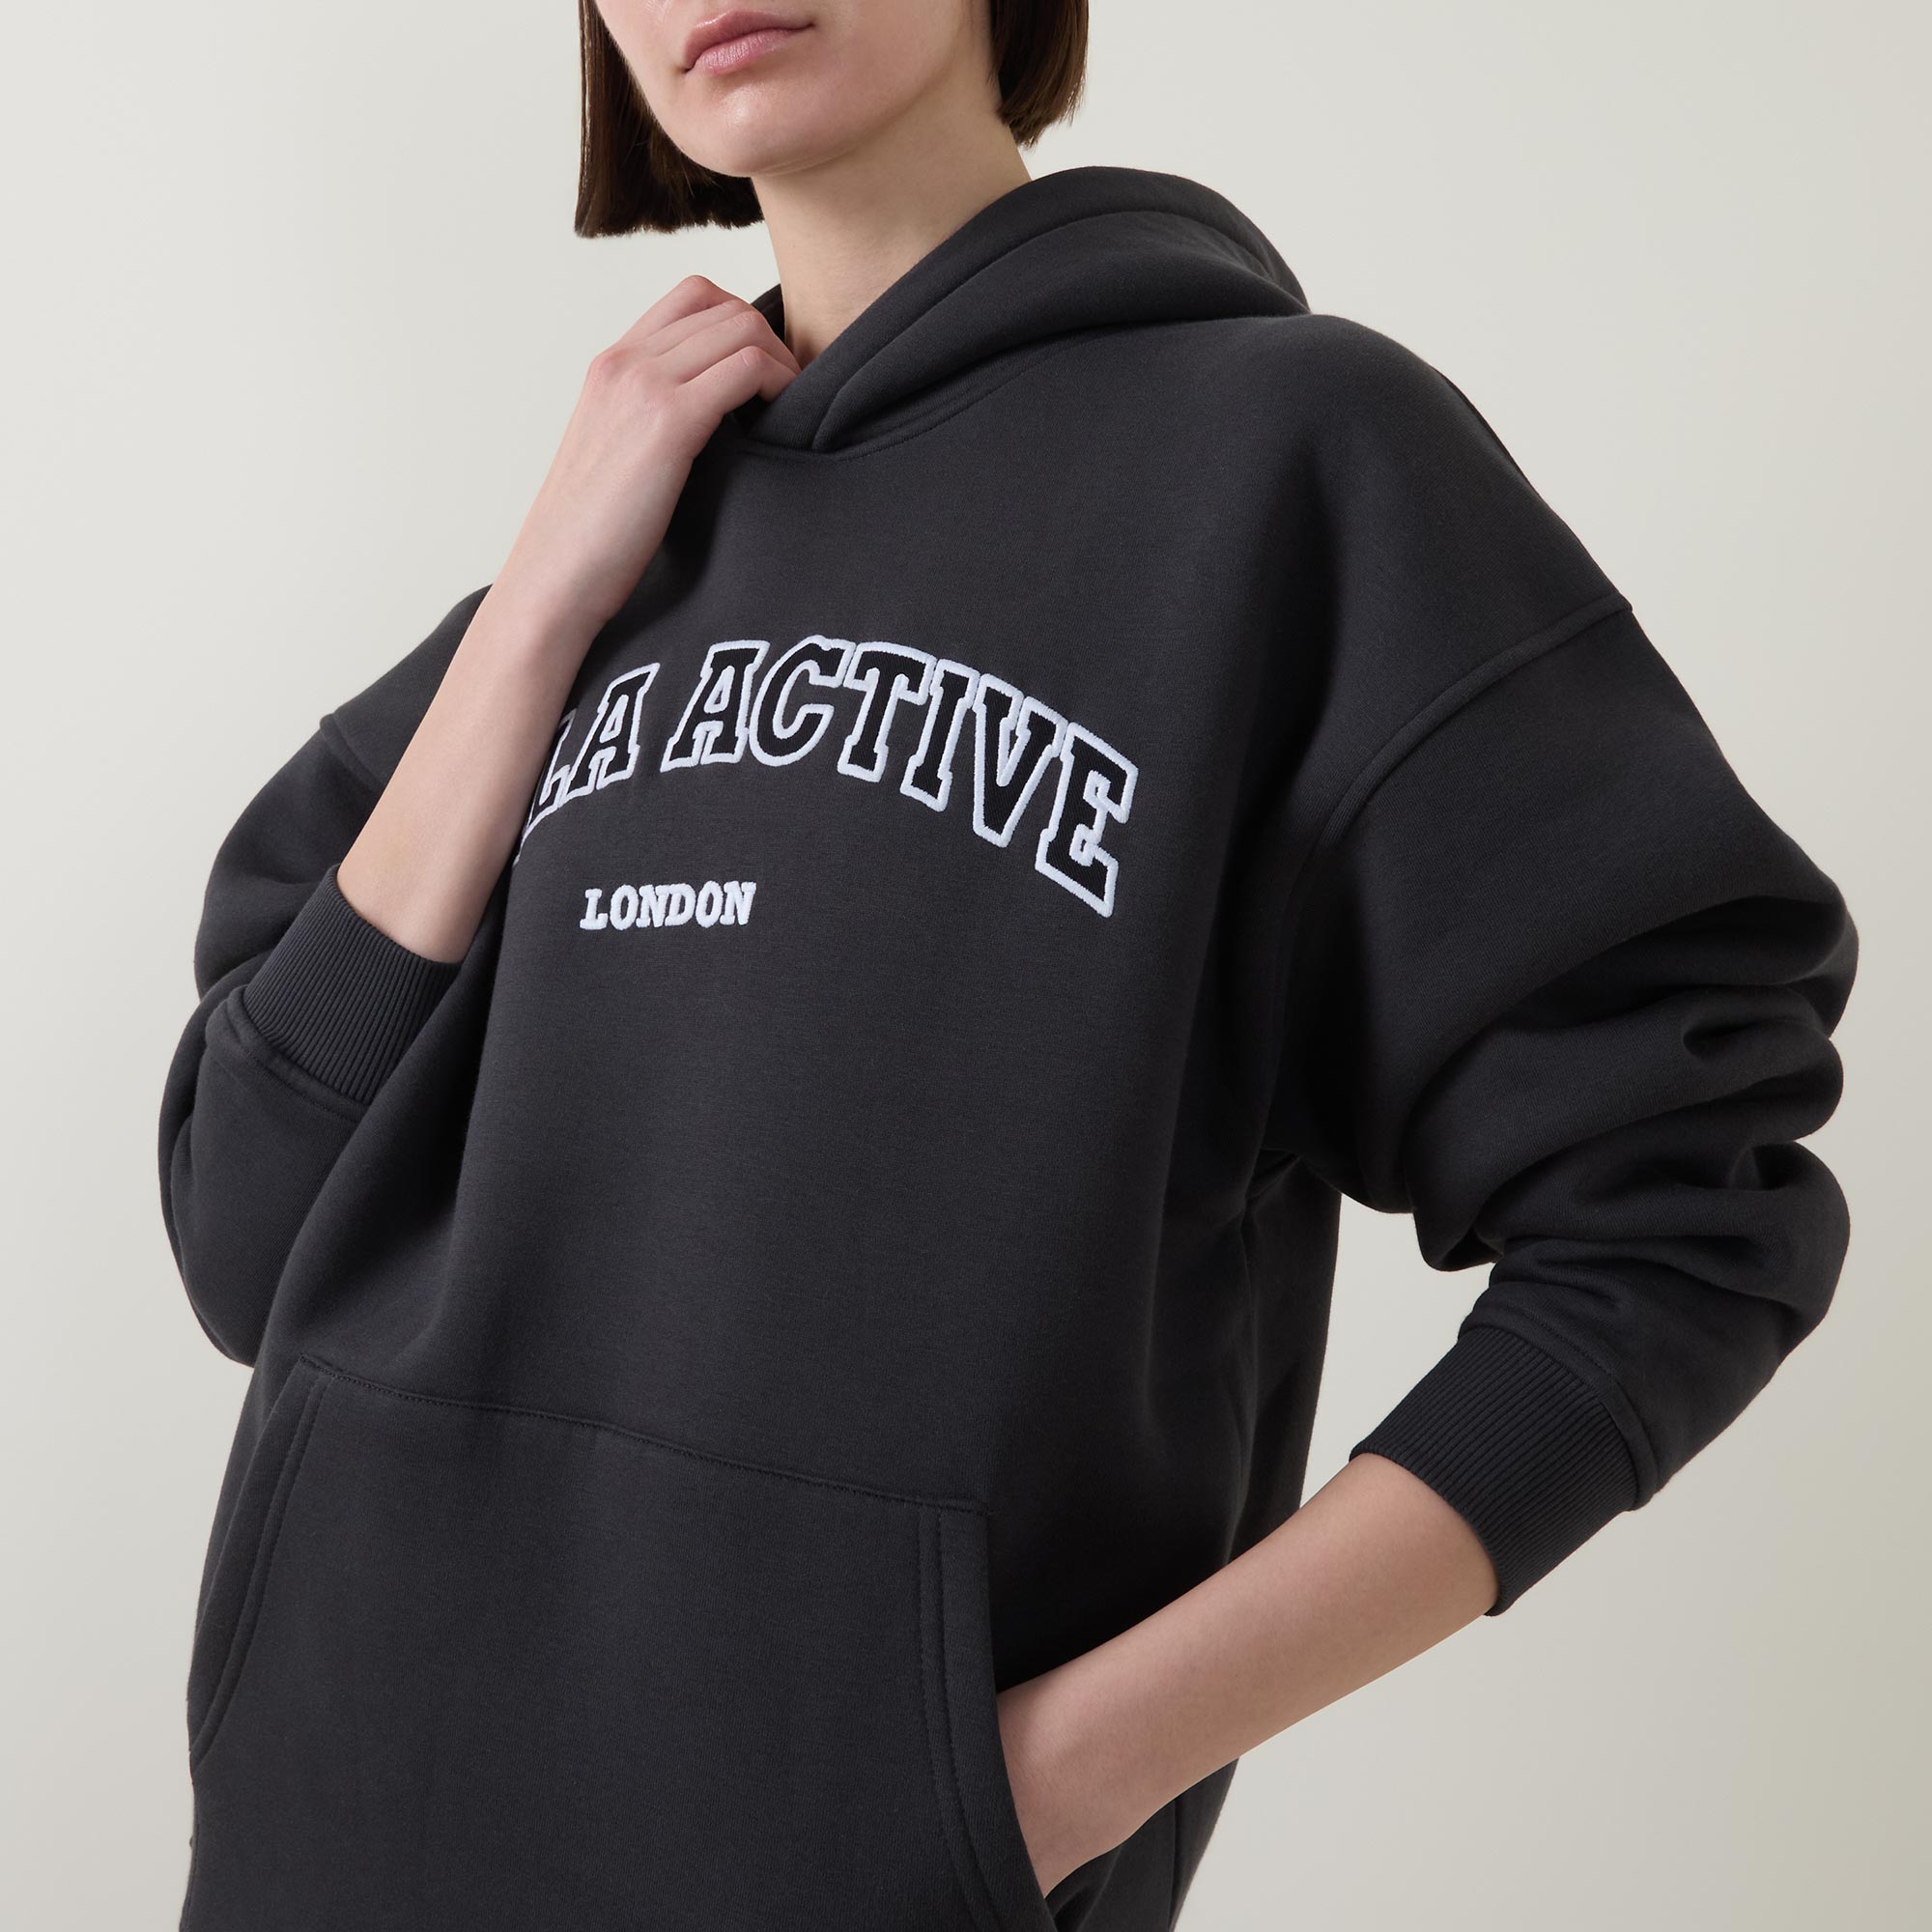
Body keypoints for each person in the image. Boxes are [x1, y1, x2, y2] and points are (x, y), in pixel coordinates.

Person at [156, 2, 1858, 1927]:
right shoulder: (590, 560)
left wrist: (1030, 1789)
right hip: (324, 1848)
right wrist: (543, 600)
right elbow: (247, 1232)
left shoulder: (1287, 465)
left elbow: (1685, 1217)